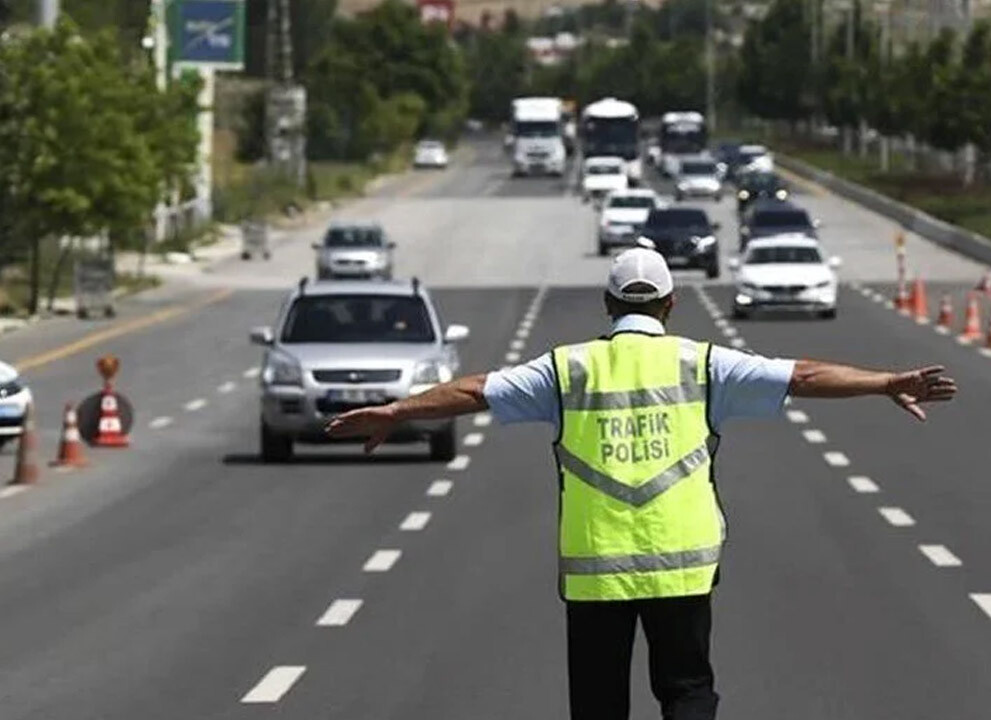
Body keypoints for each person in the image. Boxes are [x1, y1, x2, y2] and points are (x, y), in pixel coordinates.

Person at [326, 248, 957, 720]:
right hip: (681, 564)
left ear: (607, 305)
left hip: (597, 566)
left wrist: (395, 411)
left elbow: (472, 391)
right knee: (687, 690)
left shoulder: (567, 369)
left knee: (599, 703)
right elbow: (804, 375)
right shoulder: (704, 363)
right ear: (669, 304)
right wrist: (884, 382)